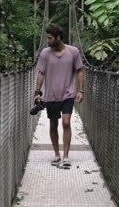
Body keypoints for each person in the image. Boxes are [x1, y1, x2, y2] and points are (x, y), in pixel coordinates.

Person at [33, 24, 85, 168]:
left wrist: (81, 90)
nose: (48, 41)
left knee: (66, 122)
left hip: (68, 93)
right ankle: (57, 154)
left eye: (50, 38)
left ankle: (66, 156)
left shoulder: (73, 52)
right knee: (53, 124)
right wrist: (37, 92)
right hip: (51, 95)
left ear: (58, 37)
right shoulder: (44, 53)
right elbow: (41, 73)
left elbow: (79, 70)